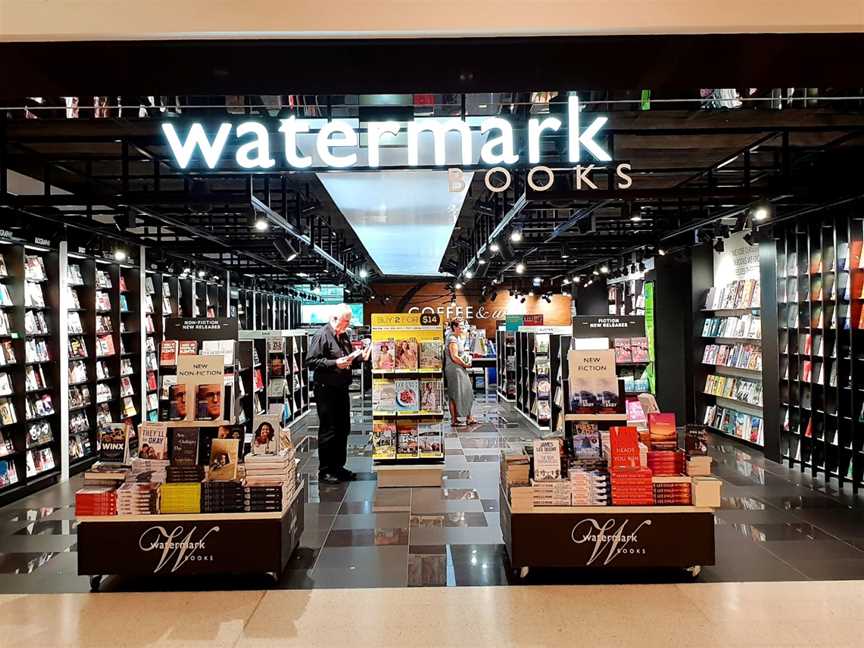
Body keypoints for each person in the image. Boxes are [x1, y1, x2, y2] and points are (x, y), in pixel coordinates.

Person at [306, 303, 372, 483]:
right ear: (334, 318)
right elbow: (311, 361)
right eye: (345, 321)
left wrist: (360, 357)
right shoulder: (322, 335)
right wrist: (335, 363)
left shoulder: (343, 336)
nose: (347, 325)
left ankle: (339, 467)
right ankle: (326, 471)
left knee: (343, 428)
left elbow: (348, 357)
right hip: (326, 390)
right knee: (329, 429)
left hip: (342, 388)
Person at [443, 318, 477, 426]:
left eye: (463, 326)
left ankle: (459, 418)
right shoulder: (452, 339)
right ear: (454, 327)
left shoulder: (452, 337)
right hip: (456, 369)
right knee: (465, 391)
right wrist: (465, 364)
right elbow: (454, 356)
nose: (462, 329)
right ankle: (465, 417)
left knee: (456, 393)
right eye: (460, 326)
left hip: (454, 368)